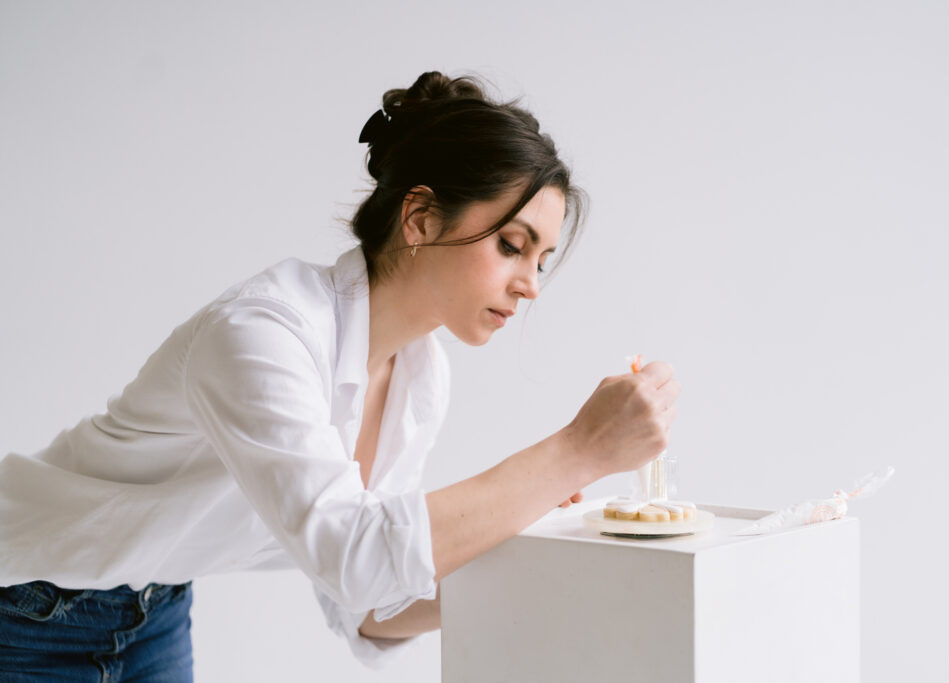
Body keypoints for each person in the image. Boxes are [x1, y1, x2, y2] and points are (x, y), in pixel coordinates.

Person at [0, 70, 679, 680]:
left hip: (157, 611)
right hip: (26, 611)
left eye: (541, 260)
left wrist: (526, 537)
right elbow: (357, 553)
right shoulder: (263, 333)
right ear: (419, 217)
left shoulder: (419, 374)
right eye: (511, 245)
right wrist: (574, 451)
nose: (530, 285)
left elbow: (366, 600)